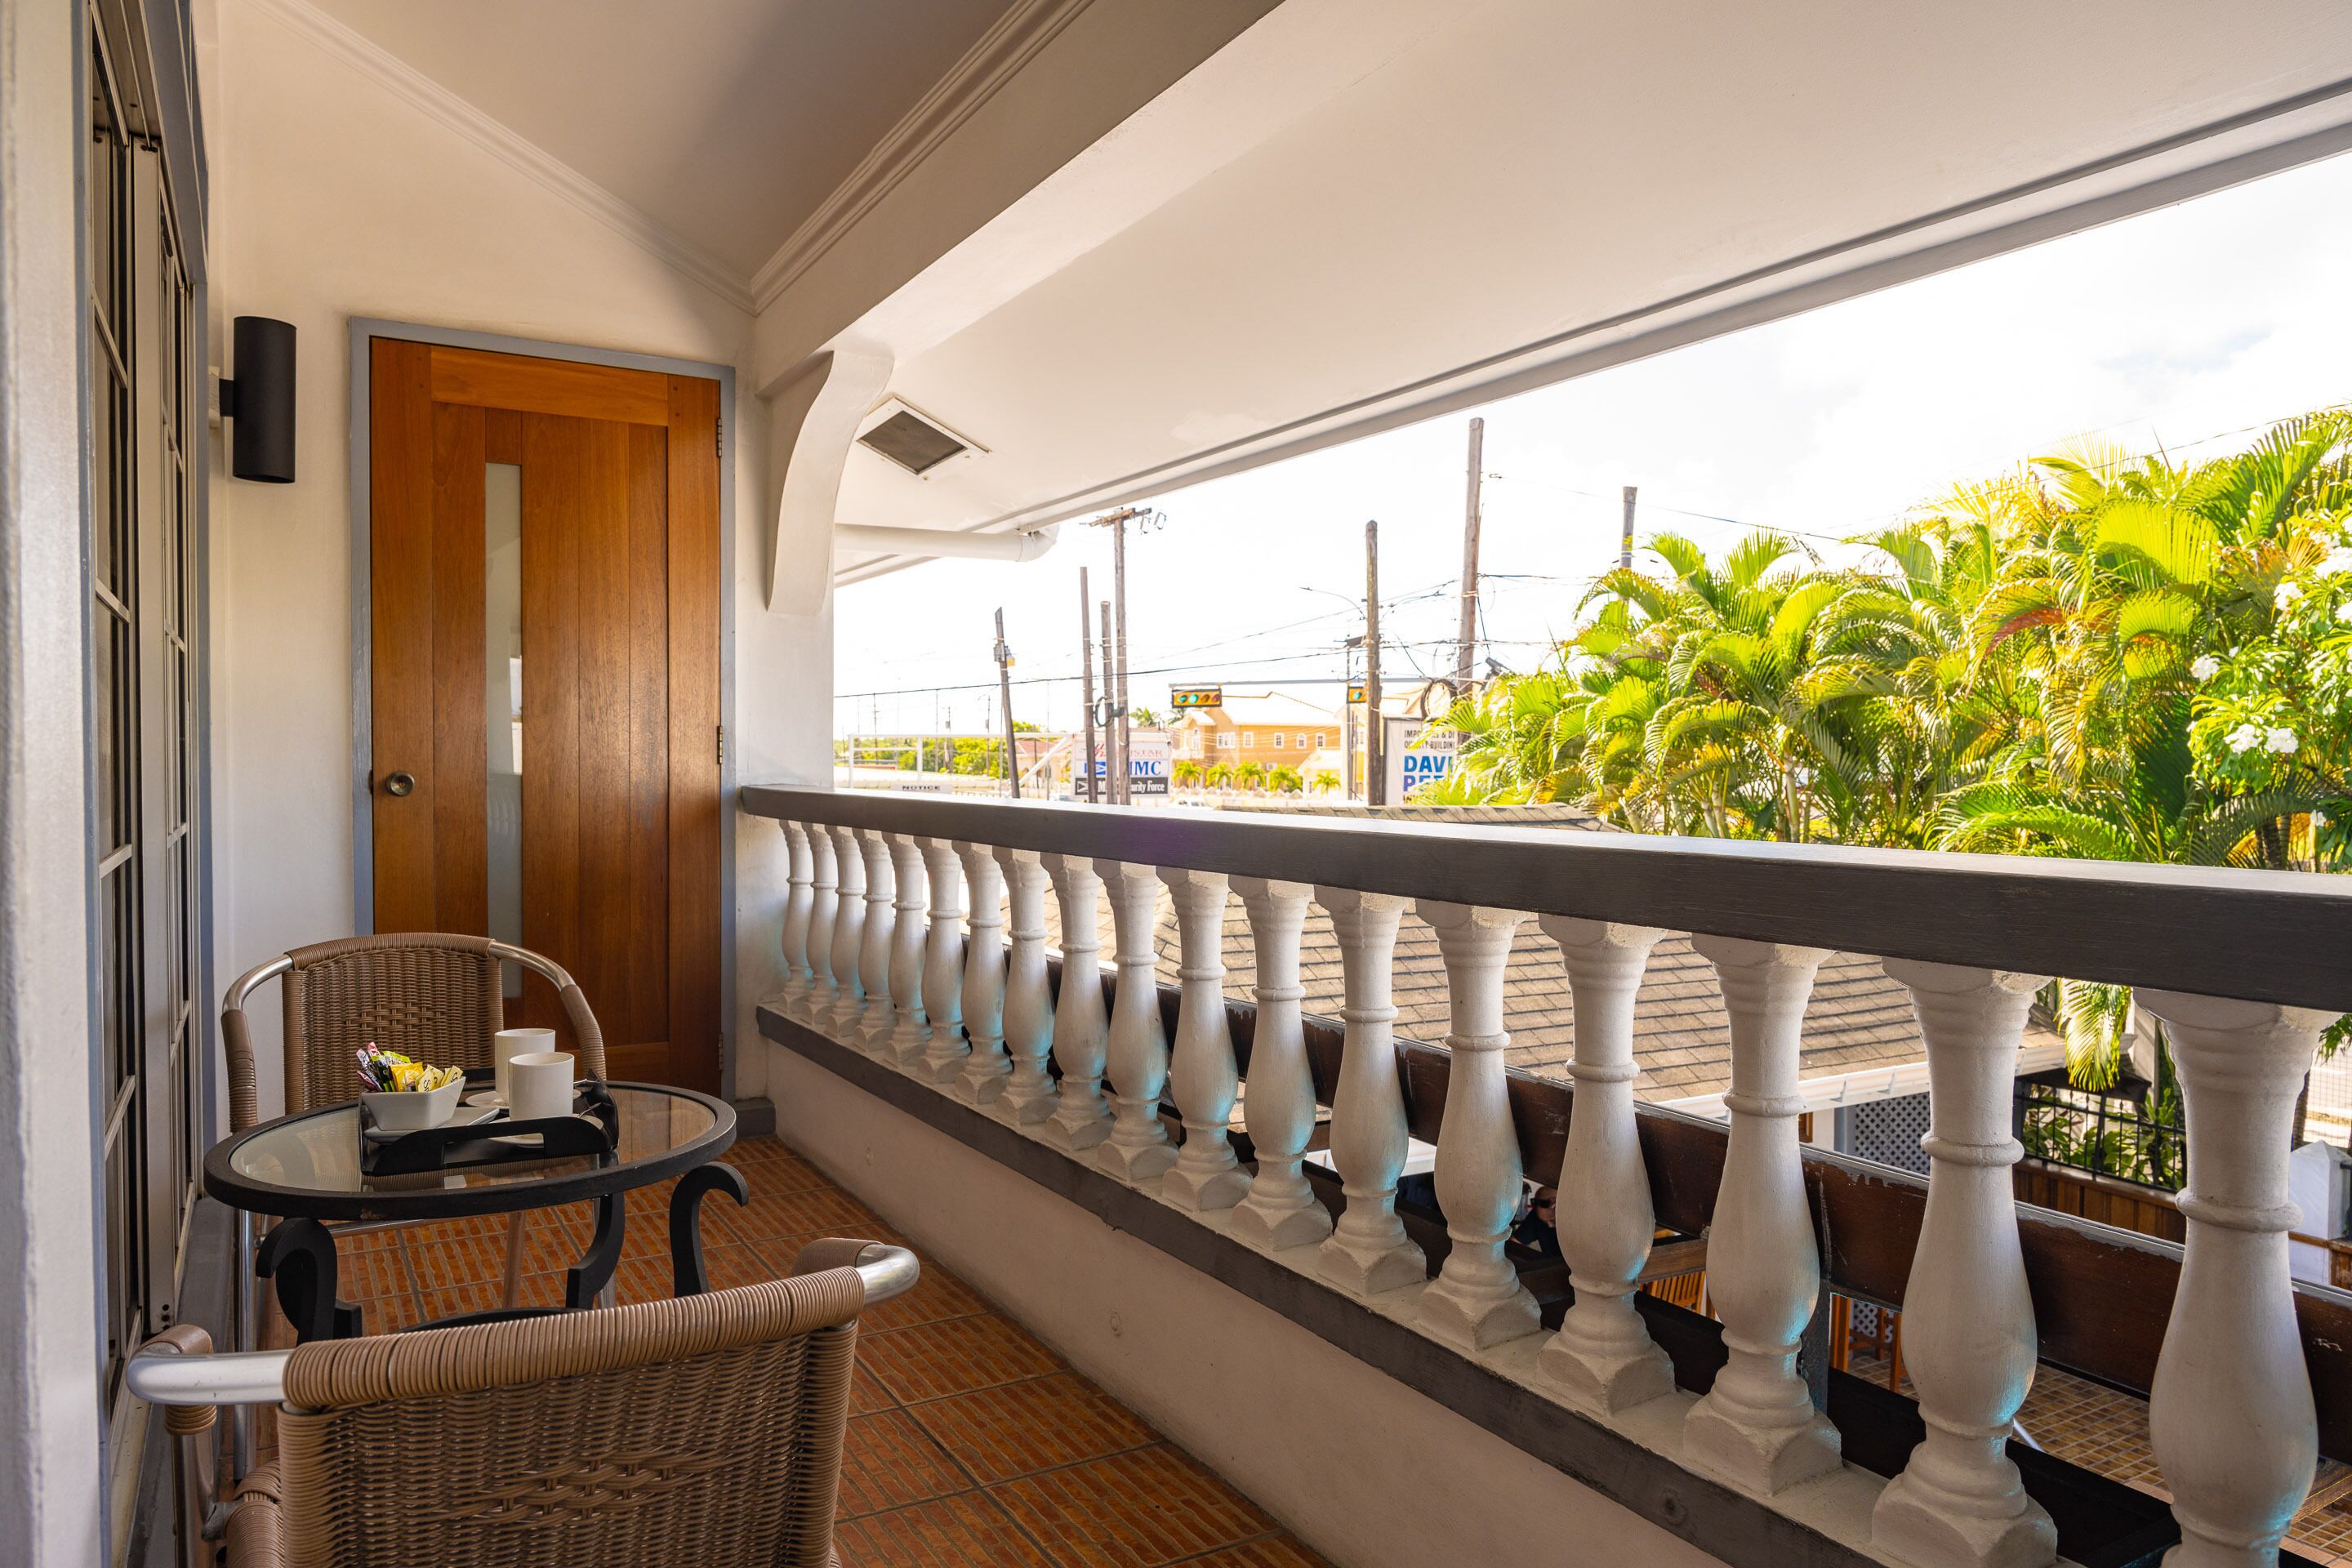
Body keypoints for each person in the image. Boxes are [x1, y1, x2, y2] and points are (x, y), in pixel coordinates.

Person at [1512, 1183, 1561, 1261]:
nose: (1549, 1225)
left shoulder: (1578, 1219)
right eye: (1545, 1222)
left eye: (1553, 1220)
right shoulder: (1537, 1215)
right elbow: (1514, 1244)